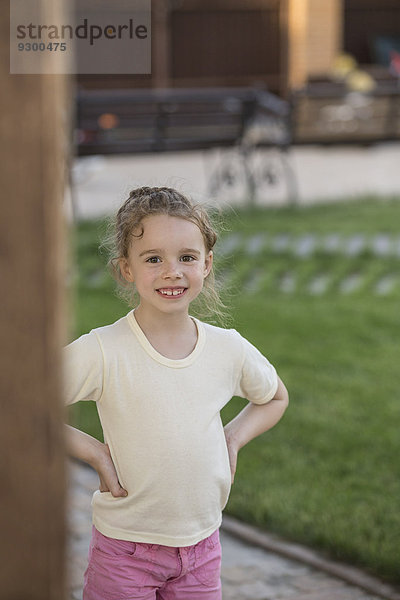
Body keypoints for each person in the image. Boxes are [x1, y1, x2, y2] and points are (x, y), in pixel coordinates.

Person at [64, 186, 289, 600]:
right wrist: (94, 452)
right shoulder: (103, 350)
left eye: (187, 257)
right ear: (126, 269)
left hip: (202, 549)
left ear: (206, 264)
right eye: (153, 259)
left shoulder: (228, 348)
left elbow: (274, 397)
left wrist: (233, 439)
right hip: (125, 549)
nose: (172, 271)